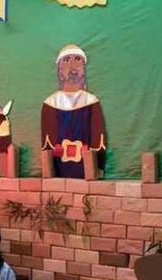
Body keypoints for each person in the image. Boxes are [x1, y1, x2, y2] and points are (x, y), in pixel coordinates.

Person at [40, 44, 107, 179]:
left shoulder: (91, 101)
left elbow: (97, 138)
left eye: (77, 59)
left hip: (86, 167)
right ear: (59, 69)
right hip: (60, 167)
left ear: (83, 68)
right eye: (66, 60)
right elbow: (49, 141)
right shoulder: (50, 103)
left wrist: (93, 154)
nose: (72, 64)